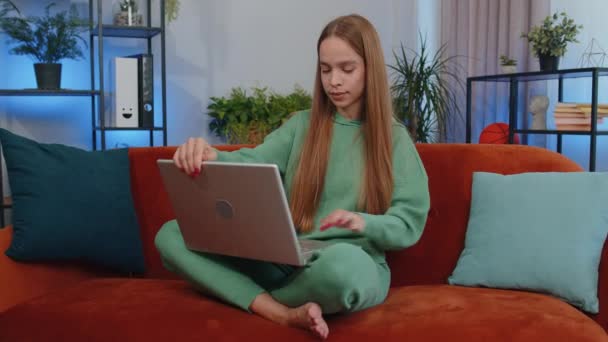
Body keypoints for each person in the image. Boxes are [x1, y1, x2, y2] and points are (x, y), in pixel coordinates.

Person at [155, 14, 430, 340]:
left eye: (347, 69)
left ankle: (246, 294)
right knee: (171, 235)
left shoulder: (394, 139)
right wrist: (212, 156)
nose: (334, 81)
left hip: (351, 263)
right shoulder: (301, 125)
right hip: (287, 260)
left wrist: (364, 222)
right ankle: (280, 312)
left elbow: (408, 221)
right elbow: (253, 161)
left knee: (344, 268)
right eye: (326, 70)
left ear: (370, 68)